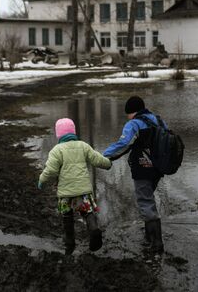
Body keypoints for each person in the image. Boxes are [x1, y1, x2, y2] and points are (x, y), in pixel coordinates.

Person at [38, 118, 112, 255]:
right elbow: (97, 159)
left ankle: (70, 243)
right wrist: (108, 164)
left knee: (67, 217)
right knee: (87, 212)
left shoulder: (56, 150)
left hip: (65, 193)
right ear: (73, 132)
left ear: (58, 134)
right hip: (82, 191)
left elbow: (51, 170)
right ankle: (94, 229)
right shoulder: (83, 146)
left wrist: (42, 180)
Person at [103, 96, 166, 253]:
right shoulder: (158, 119)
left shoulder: (133, 123)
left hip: (143, 168)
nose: (127, 117)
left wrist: (104, 154)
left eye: (128, 114)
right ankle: (148, 237)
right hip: (158, 168)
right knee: (148, 198)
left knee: (145, 201)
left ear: (132, 111)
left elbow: (123, 143)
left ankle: (157, 243)